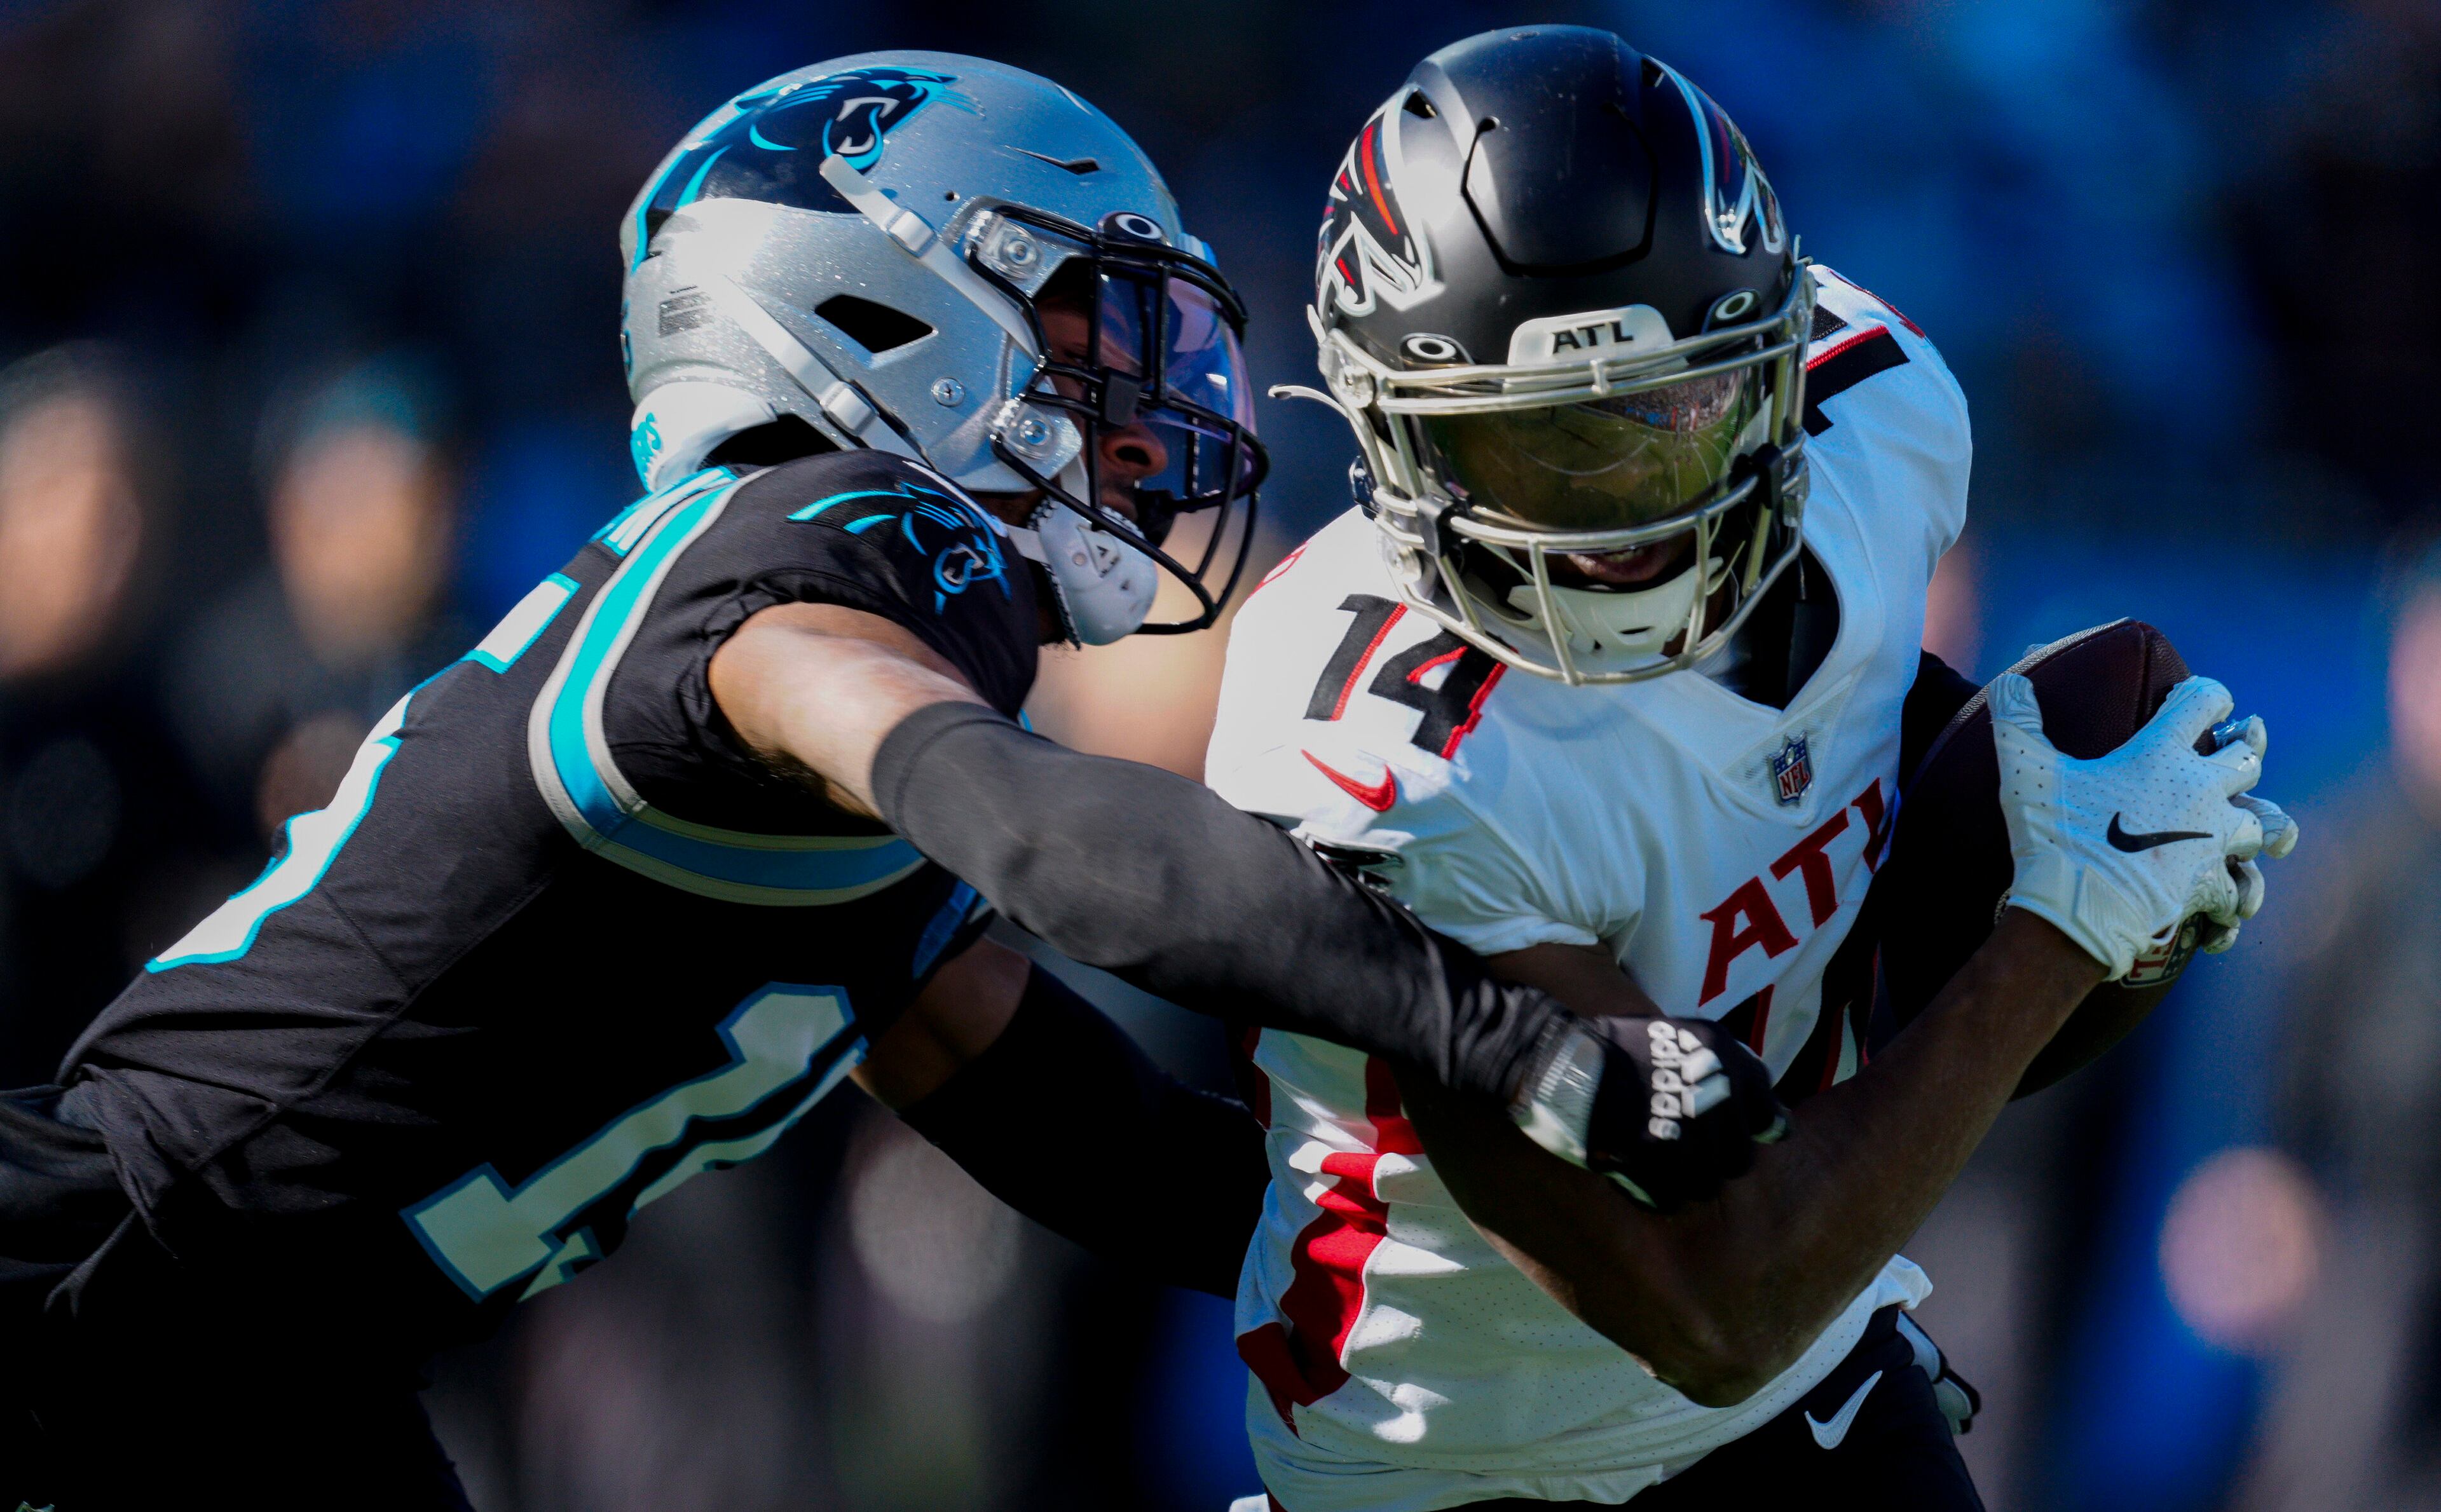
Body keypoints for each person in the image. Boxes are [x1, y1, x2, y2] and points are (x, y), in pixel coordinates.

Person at [0, 51, 1785, 1512]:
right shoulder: (823, 545)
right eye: (1093, 323)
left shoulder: (841, 742)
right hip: (102, 1296)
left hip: (254, 1359)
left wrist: (1482, 1269)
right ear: (887, 306)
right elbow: (1042, 830)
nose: (1146, 394)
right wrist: (1523, 1044)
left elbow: (1086, 1134)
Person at [1202, 27, 2297, 1509]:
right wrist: (2062, 927)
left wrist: (2082, 810)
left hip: (1822, 1385)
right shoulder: (1385, 737)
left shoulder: (1883, 415)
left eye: (1668, 420)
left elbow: (1817, 739)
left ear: (1776, 365)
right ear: (1395, 439)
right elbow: (1715, 1306)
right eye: (1543, 455)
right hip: (1459, 1456)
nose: (1618, 530)